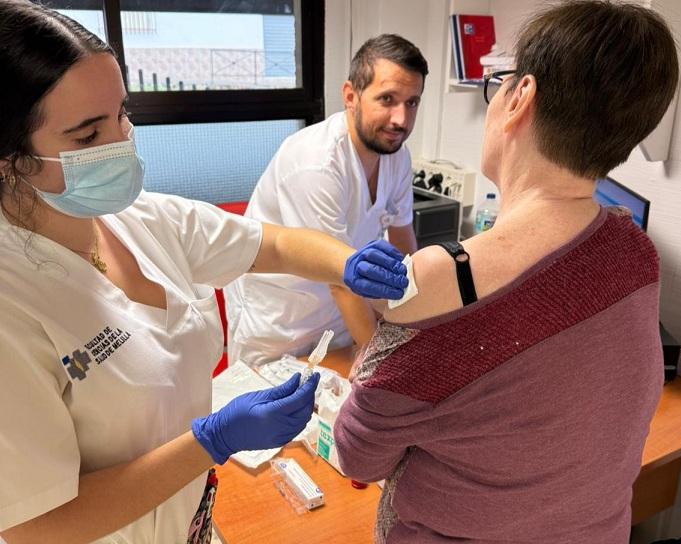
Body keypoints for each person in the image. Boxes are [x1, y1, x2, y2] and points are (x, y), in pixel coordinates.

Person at [0, 2, 409, 543]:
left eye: (122, 114)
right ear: (10, 157)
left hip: (191, 520)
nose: (122, 141)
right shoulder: (13, 303)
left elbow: (277, 244)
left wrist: (347, 262)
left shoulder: (141, 218)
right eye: (86, 137)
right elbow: (36, 524)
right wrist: (211, 441)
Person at [333, 1, 679, 542]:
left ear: (519, 97)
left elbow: (358, 455)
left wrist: (375, 362)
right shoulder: (636, 254)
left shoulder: (445, 281)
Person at [223, 34, 428, 367]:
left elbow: (404, 241)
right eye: (387, 99)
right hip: (281, 320)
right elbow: (339, 281)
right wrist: (387, 360)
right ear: (351, 96)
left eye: (412, 102)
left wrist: (419, 317)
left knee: (344, 408)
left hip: (342, 313)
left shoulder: (396, 156)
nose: (401, 120)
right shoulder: (317, 163)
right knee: (280, 408)